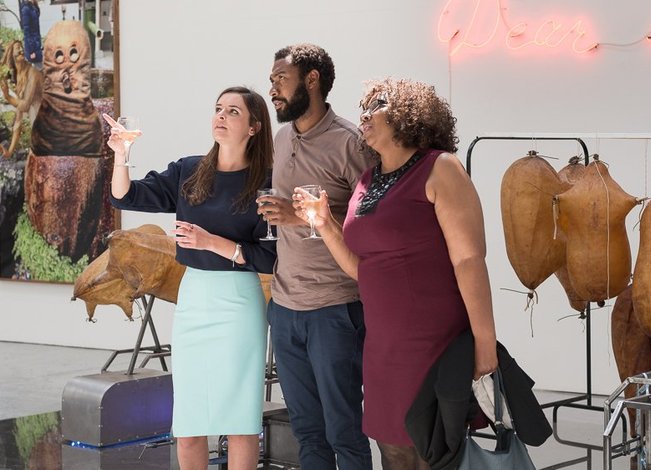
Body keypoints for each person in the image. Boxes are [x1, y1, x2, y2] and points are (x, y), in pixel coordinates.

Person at [293, 78, 499, 469]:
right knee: (393, 450)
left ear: (409, 114)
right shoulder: (366, 181)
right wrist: (323, 223)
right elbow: (362, 267)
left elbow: (469, 260)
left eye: (378, 104)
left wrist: (484, 342)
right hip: (383, 347)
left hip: (433, 342)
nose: (365, 115)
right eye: (363, 107)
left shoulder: (440, 167)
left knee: (432, 452)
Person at [107, 86, 276, 470]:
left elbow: (270, 256)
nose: (221, 116)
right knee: (189, 425)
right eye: (218, 108)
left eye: (233, 111)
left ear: (253, 127)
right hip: (194, 299)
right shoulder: (189, 170)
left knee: (240, 424)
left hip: (239, 303)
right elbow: (126, 196)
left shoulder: (267, 180)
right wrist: (122, 156)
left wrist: (213, 243)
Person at [256, 44, 373, 469]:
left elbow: (372, 229)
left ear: (312, 80)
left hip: (335, 309)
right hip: (285, 309)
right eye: (271, 81)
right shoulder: (282, 137)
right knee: (306, 431)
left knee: (344, 430)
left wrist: (299, 218)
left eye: (280, 80)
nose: (273, 90)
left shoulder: (351, 143)